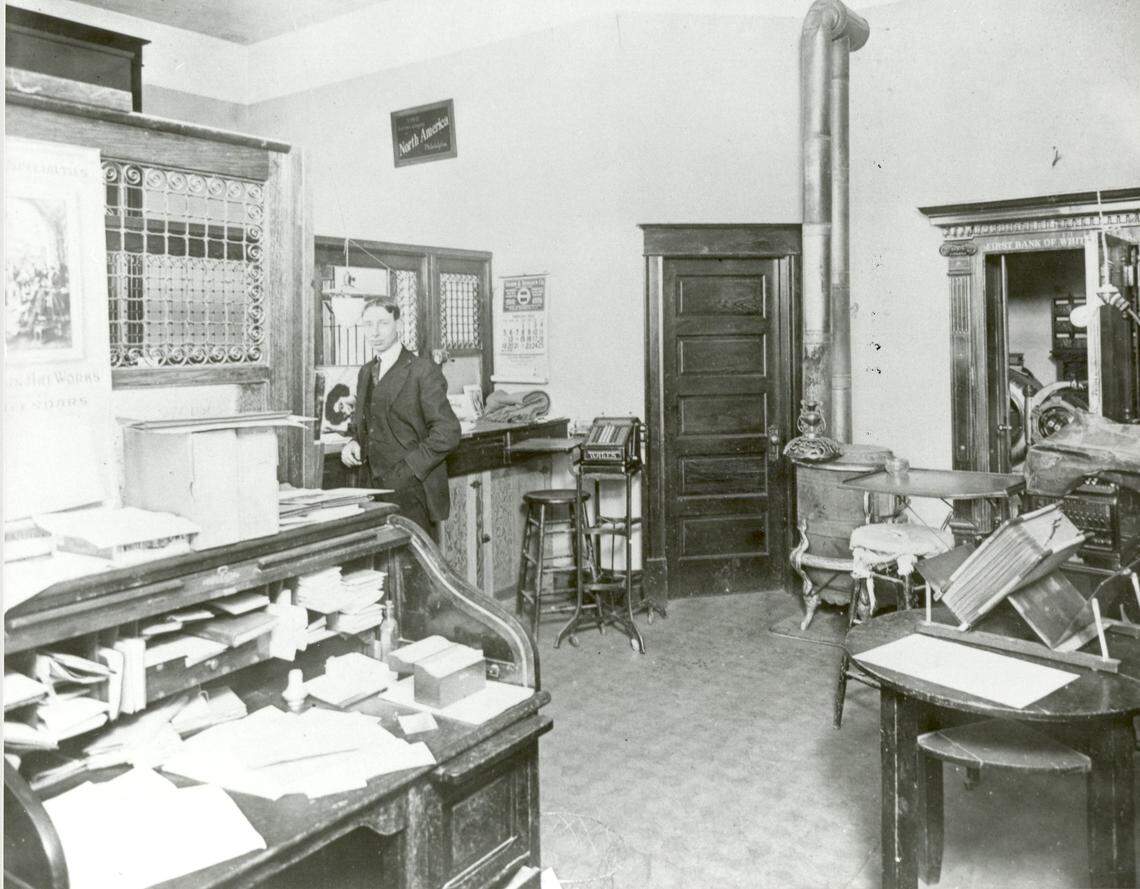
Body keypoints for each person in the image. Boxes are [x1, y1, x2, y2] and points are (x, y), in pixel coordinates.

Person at [341, 296, 461, 534]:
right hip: (372, 488)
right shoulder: (366, 372)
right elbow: (364, 423)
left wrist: (410, 470)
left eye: (383, 323)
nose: (374, 332)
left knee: (412, 565)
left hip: (413, 490)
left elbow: (448, 432)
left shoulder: (423, 371)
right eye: (368, 324)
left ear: (399, 324)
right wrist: (353, 441)